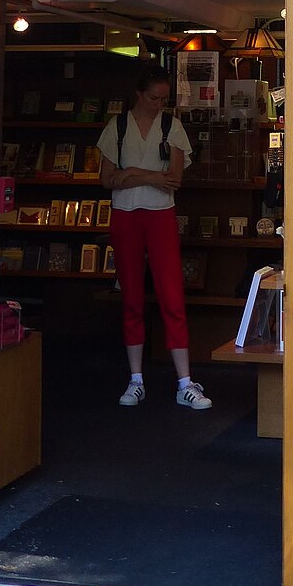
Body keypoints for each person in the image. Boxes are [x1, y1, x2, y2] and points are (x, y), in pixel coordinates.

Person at [98, 64, 211, 409]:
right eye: (153, 97)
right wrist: (149, 176)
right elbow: (106, 179)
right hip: (127, 216)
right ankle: (136, 379)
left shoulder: (171, 125)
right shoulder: (116, 127)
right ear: (139, 94)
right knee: (131, 296)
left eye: (163, 98)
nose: (159, 103)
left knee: (172, 295)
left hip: (160, 215)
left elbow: (173, 179)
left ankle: (184, 381)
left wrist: (130, 173)